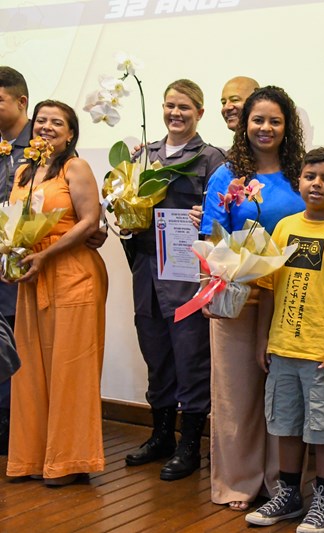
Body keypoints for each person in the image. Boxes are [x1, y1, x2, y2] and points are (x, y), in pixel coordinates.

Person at [245, 147, 324, 532]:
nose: (317, 184)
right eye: (310, 176)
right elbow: (267, 287)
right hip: (283, 348)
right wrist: (262, 339)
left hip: (323, 354)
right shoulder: (284, 227)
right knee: (285, 424)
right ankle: (287, 494)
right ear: (299, 180)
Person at [199, 85, 306, 511]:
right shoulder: (227, 176)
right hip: (238, 299)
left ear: (287, 127)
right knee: (236, 396)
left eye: (274, 121)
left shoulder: (301, 172)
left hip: (294, 297)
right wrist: (216, 281)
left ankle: (284, 483)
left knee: (286, 398)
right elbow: (212, 237)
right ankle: (238, 481)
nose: (265, 128)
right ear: (245, 125)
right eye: (257, 120)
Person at [123, 79, 225, 481]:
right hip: (147, 269)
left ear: (200, 113)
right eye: (169, 106)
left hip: (187, 273)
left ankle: (189, 444)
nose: (175, 114)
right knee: (156, 353)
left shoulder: (211, 159)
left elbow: (222, 222)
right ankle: (161, 434)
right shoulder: (143, 156)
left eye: (185, 107)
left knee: (191, 357)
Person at [4, 100, 108, 486]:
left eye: (56, 123)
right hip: (33, 278)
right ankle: (31, 457)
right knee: (30, 368)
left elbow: (90, 221)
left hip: (73, 276)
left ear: (70, 134)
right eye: (41, 121)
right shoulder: (23, 172)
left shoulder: (75, 167)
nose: (46, 127)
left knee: (71, 369)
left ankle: (70, 461)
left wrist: (46, 254)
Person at [0, 66, 31, 454]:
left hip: (28, 267)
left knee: (19, 340)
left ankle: (17, 422)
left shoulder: (42, 146)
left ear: (21, 102)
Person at [188, 76, 259, 231]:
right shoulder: (228, 163)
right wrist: (211, 214)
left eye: (234, 99)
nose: (227, 107)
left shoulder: (283, 164)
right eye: (223, 102)